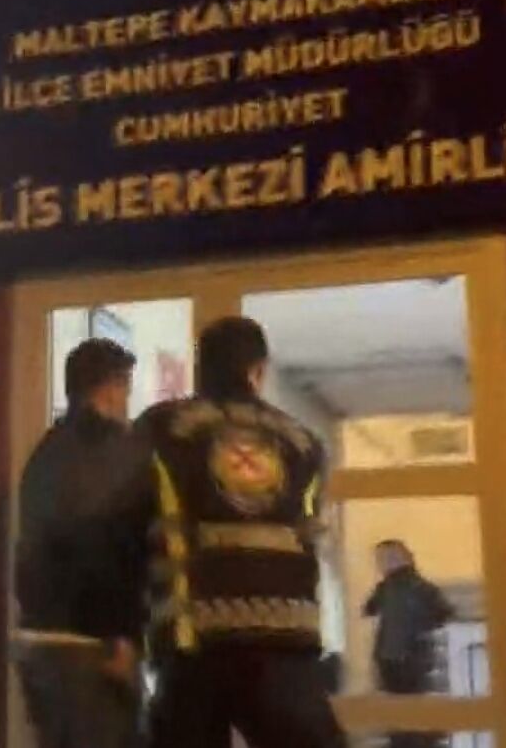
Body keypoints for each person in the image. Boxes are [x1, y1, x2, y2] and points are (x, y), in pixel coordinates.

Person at [112, 316, 347, 748]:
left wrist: (123, 631)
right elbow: (311, 536)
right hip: (286, 641)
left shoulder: (160, 429)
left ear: (201, 366)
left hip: (194, 639)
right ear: (258, 370)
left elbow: (124, 535)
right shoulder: (305, 443)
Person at [14, 338, 144, 748]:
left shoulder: (45, 454)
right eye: (125, 388)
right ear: (110, 389)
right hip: (92, 646)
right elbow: (106, 551)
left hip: (39, 643)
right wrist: (121, 635)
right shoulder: (114, 454)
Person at [363, 540, 454, 748]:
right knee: (412, 712)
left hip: (395, 657)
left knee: (400, 714)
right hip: (411, 657)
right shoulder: (421, 587)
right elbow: (444, 613)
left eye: (384, 559)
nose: (380, 564)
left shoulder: (388, 588)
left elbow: (369, 609)